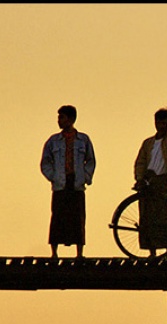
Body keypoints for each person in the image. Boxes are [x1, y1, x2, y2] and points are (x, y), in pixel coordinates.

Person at [41, 105, 96, 259]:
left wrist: (85, 177)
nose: (59, 121)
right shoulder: (53, 141)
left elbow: (91, 160)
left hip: (76, 184)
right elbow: (45, 162)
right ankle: (54, 253)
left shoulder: (83, 140)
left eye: (62, 117)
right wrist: (53, 177)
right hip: (60, 184)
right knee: (57, 218)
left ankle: (79, 253)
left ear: (71, 119)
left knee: (78, 218)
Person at [133, 108, 167, 256]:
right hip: (148, 181)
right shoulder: (148, 143)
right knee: (146, 218)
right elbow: (140, 162)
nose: (160, 126)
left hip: (163, 180)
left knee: (163, 217)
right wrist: (139, 178)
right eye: (158, 122)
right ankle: (152, 251)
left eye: (164, 123)